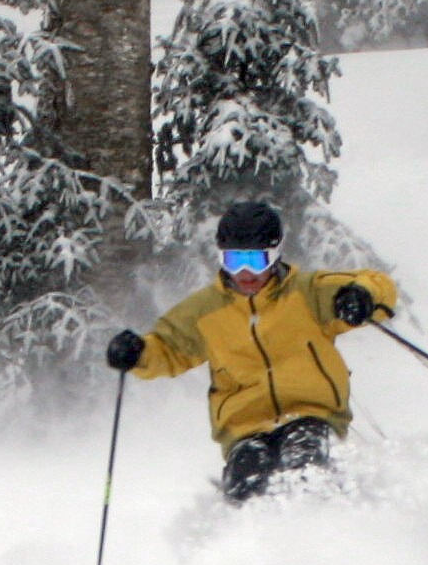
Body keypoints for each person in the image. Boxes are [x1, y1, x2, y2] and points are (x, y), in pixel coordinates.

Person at [105, 200, 397, 501]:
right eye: (234, 261)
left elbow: (379, 284)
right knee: (247, 484)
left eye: (256, 261)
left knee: (305, 469)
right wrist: (138, 353)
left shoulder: (307, 292)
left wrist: (360, 297)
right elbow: (168, 347)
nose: (245, 273)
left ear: (275, 255)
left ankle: (322, 527)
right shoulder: (205, 311)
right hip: (245, 428)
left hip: (310, 413)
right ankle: (247, 540)